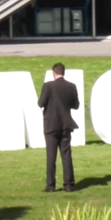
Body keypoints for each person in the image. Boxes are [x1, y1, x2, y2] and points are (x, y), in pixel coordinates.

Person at [37, 62, 80, 193]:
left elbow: (40, 103)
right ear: (63, 72)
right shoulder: (71, 86)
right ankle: (69, 185)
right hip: (66, 124)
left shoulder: (48, 86)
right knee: (66, 155)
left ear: (53, 73)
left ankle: (51, 186)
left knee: (51, 156)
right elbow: (76, 105)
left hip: (51, 125)